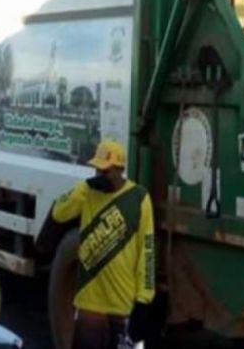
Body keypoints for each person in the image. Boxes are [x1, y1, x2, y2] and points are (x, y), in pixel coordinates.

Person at [44, 140, 155, 349]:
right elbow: (59, 212)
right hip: (89, 303)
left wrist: (144, 300)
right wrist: (83, 188)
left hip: (122, 304)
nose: (99, 175)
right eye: (97, 170)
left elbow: (146, 252)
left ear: (119, 170)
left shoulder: (140, 198)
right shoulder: (88, 193)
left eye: (105, 171)